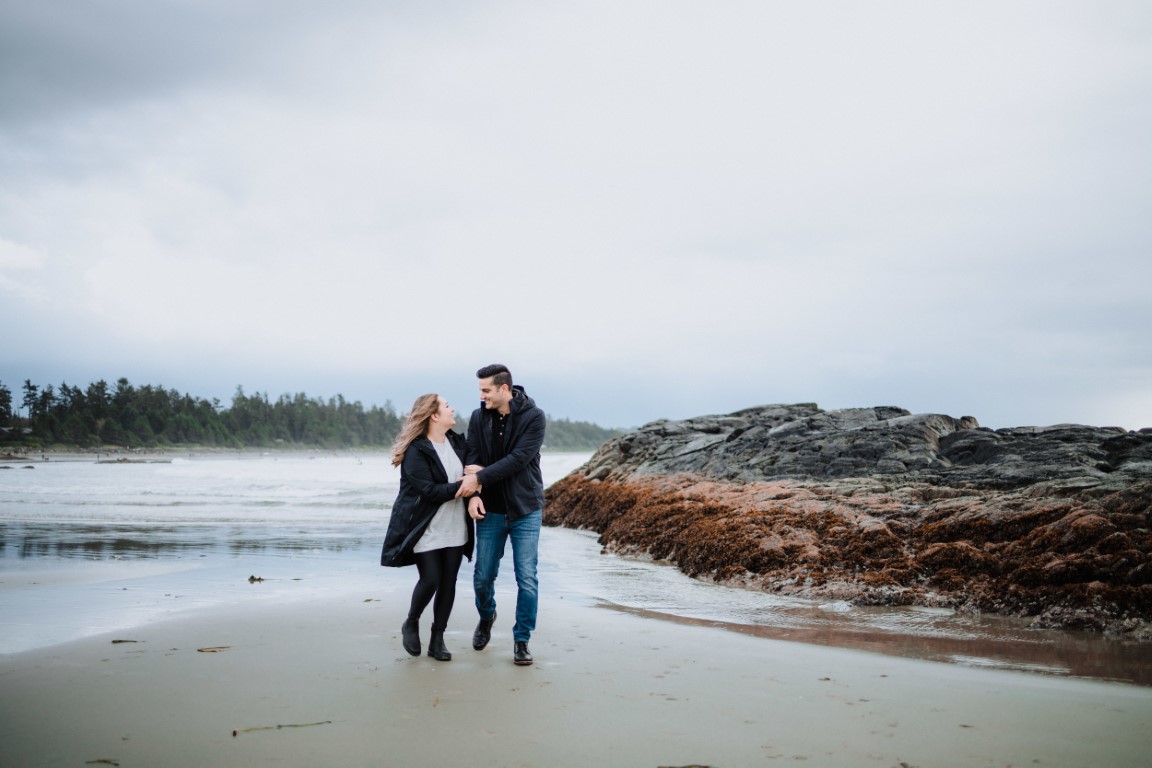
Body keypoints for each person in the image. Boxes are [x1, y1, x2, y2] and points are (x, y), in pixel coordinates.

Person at [456, 364, 546, 666]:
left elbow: (519, 459)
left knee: (527, 579)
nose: (482, 397)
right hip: (490, 509)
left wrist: (480, 478)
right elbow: (472, 456)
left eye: (486, 391)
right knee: (482, 577)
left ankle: (522, 640)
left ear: (504, 389)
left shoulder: (534, 417)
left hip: (526, 509)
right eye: (480, 391)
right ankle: (487, 615)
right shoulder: (479, 417)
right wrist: (475, 494)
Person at [380, 393, 475, 661]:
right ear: (434, 415)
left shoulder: (457, 442)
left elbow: (473, 470)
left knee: (449, 583)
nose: (452, 408)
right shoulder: (416, 451)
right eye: (446, 406)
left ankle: (437, 639)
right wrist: (466, 486)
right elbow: (431, 491)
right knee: (431, 578)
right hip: (426, 526)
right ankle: (411, 621)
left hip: (456, 526)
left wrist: (475, 488)